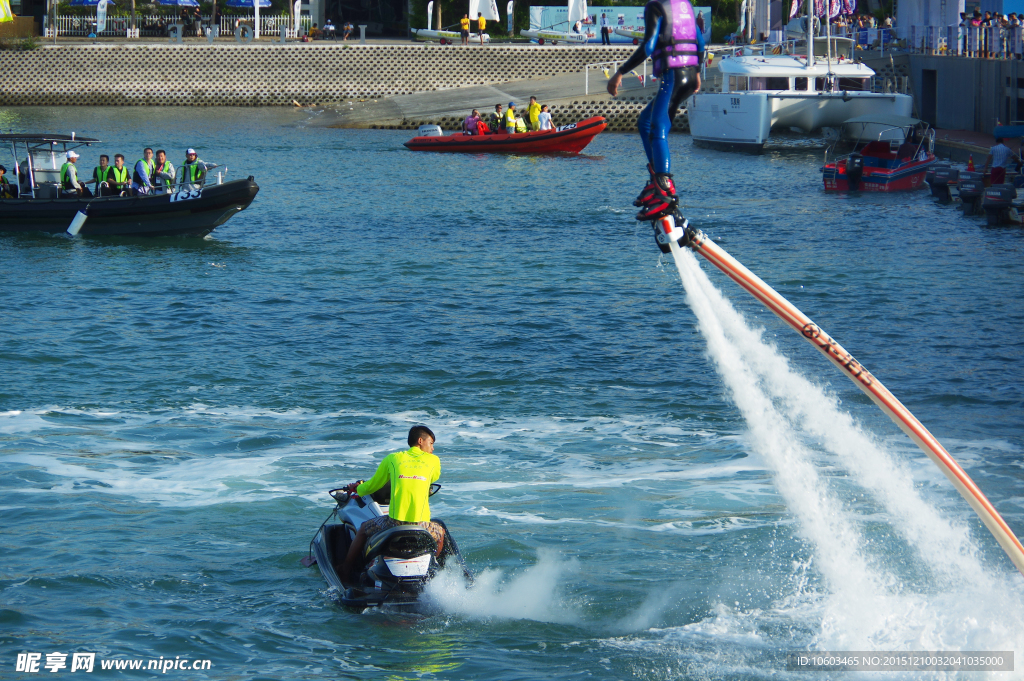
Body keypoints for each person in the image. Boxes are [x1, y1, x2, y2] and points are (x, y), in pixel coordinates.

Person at [607, 0, 704, 221]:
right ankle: (655, 183)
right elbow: (699, 41)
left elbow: (648, 46)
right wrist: (697, 73)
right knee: (645, 121)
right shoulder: (685, 6)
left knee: (657, 128)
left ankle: (665, 191)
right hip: (688, 75)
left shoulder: (655, 7)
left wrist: (620, 72)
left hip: (673, 75)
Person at [340, 425, 444, 582]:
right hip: (422, 525)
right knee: (440, 532)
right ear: (420, 441)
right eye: (431, 443)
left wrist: (357, 488)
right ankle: (435, 567)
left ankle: (345, 569)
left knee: (362, 530)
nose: (433, 448)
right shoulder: (434, 461)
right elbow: (433, 477)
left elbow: (373, 485)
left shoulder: (393, 459)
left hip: (394, 523)